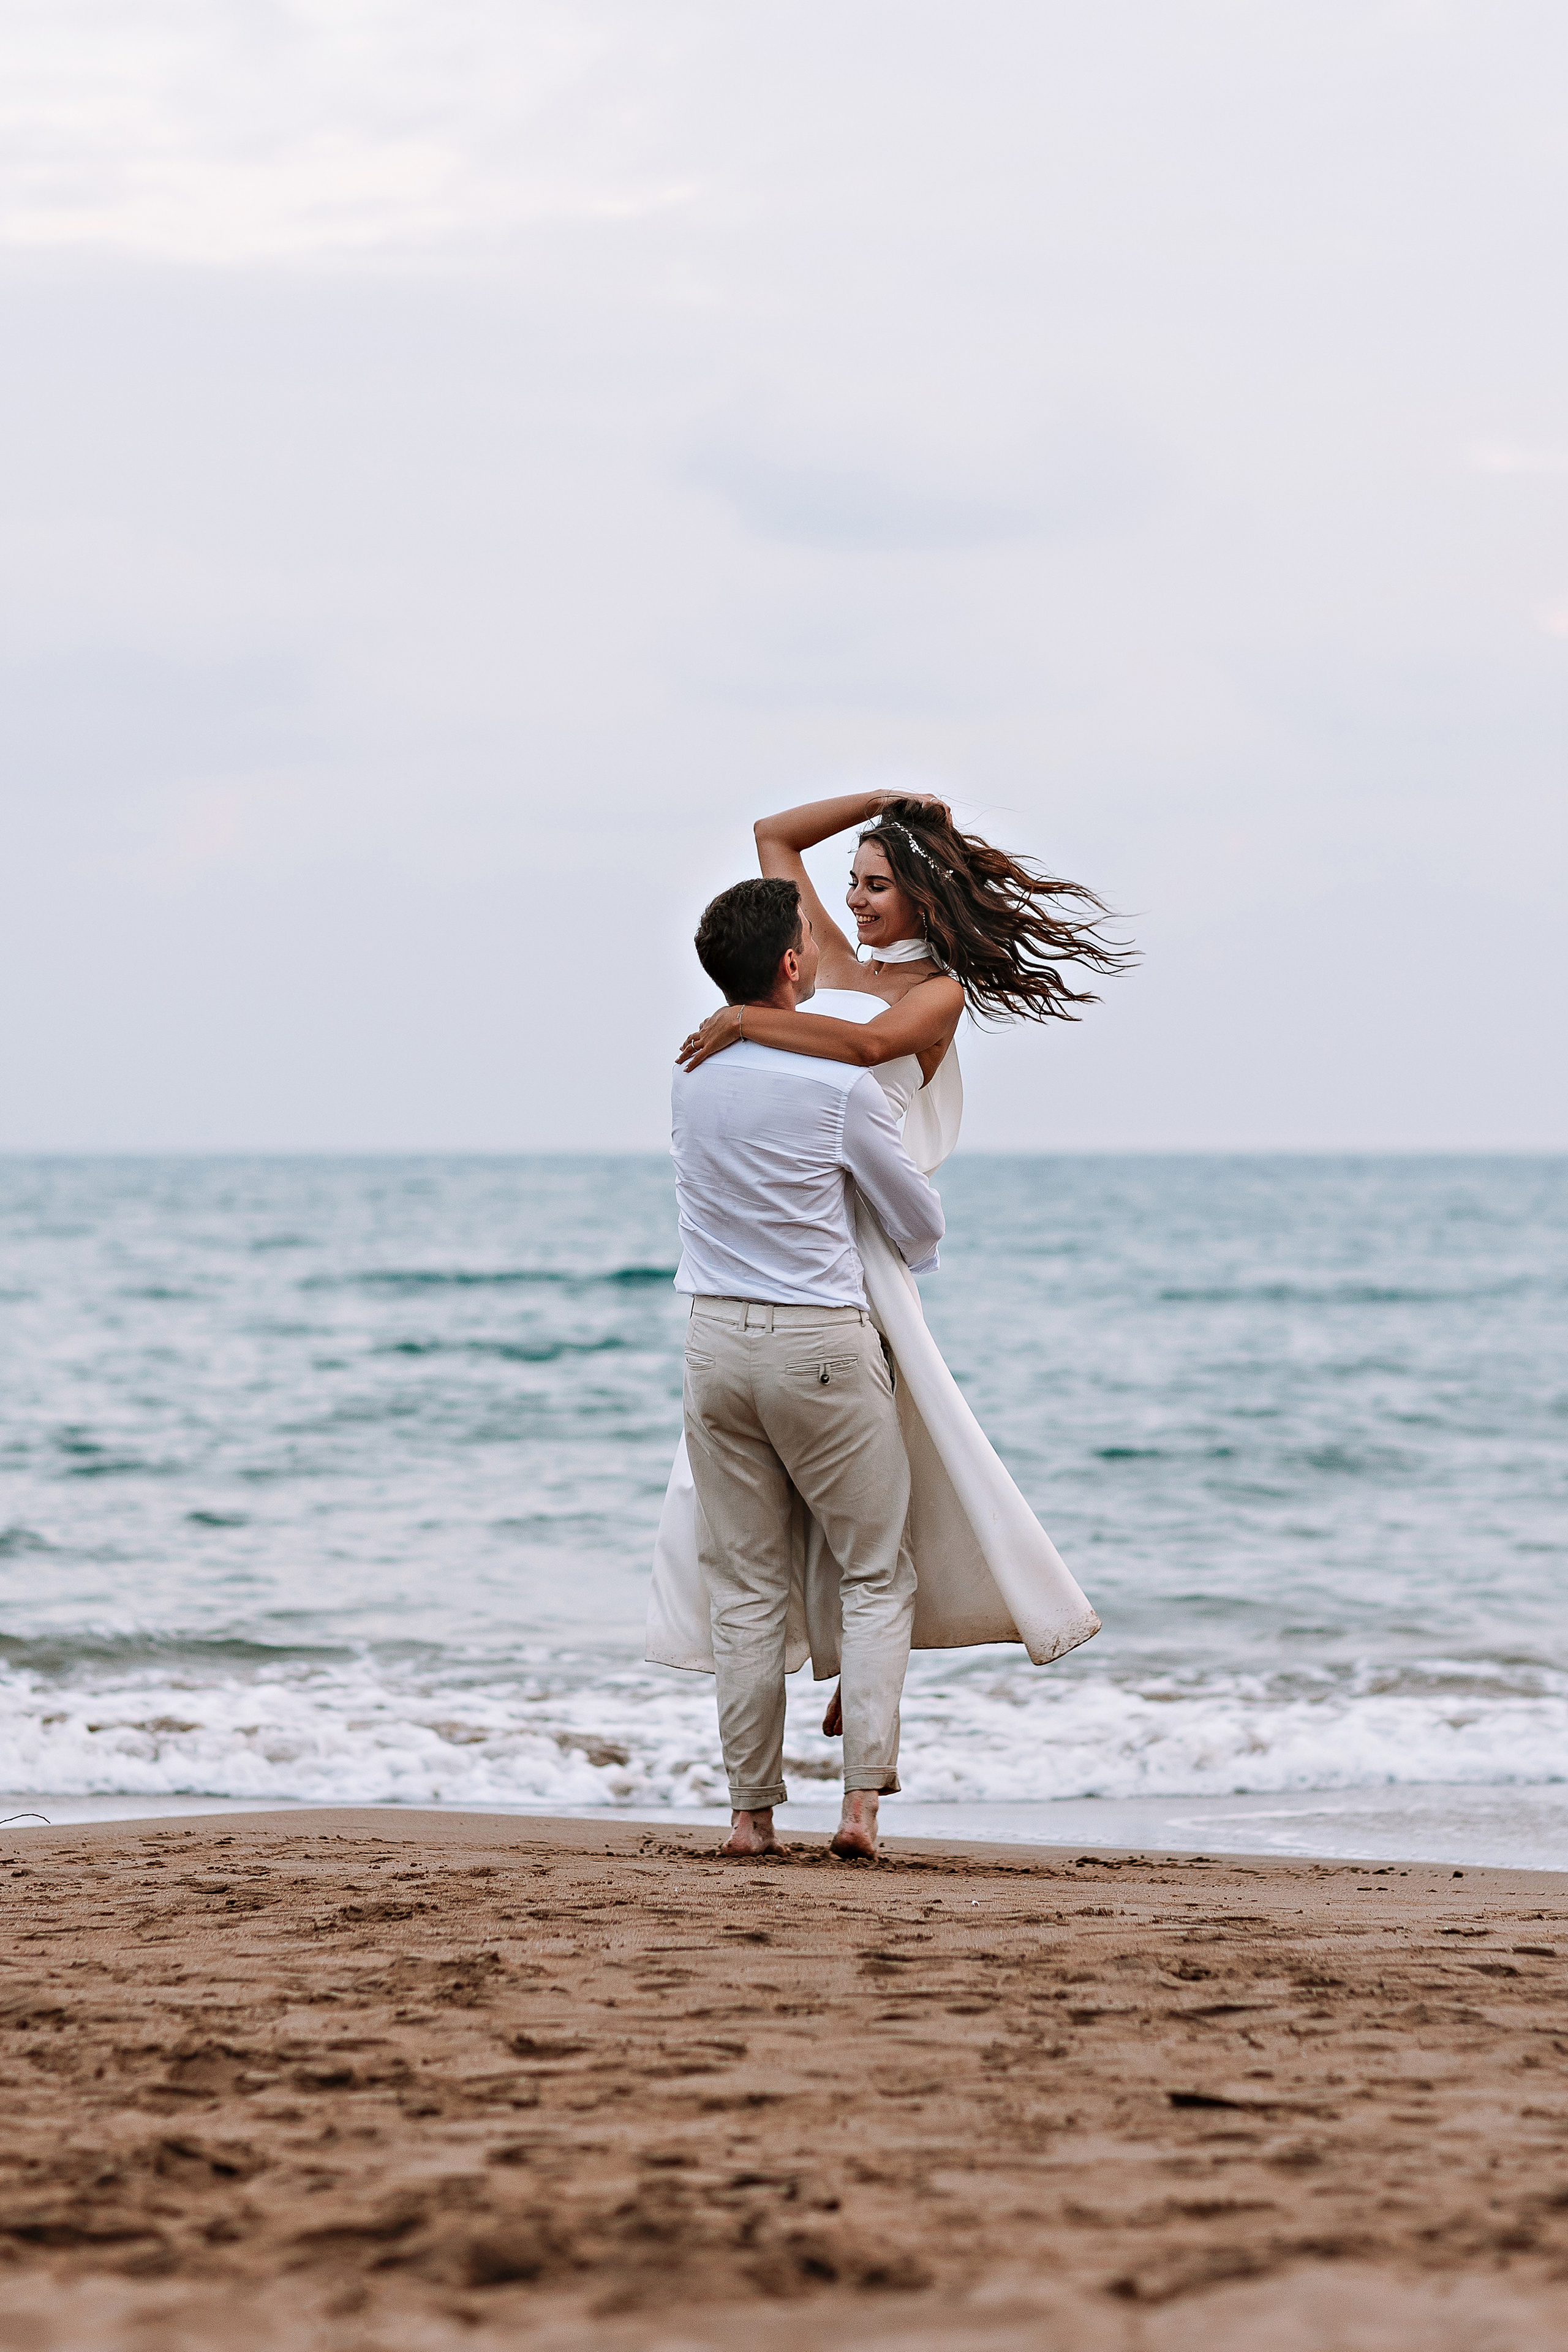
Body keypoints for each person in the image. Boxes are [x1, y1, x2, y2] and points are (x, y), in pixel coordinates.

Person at [647, 791, 1128, 1773]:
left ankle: (867, 1663)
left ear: (922, 898)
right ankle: (860, 1662)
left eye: (876, 886)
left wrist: (744, 1018)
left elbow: (869, 1052)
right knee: (834, 1484)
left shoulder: (936, 995)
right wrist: (882, 800)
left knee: (895, 1476)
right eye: (854, 884)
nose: (856, 901)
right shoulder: (825, 957)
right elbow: (773, 838)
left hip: (864, 1240)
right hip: (812, 1231)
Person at [671, 875, 946, 1862]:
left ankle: (750, 1817)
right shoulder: (842, 1087)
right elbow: (919, 1224)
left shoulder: (691, 1072)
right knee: (875, 1571)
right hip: (821, 1344)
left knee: (746, 1586)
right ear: (793, 967)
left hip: (712, 1344)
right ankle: (861, 1808)